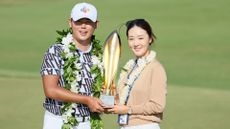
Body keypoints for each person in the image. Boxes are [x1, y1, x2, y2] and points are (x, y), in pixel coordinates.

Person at [40, 2, 105, 129]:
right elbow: (50, 90)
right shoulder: (55, 51)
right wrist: (87, 100)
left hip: (89, 122)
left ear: (96, 24)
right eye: (79, 22)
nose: (83, 26)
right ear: (70, 22)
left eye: (88, 22)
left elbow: (105, 89)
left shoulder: (100, 55)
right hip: (58, 121)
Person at [108, 19, 167, 129]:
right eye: (131, 39)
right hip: (124, 126)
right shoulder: (130, 67)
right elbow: (123, 100)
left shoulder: (156, 68)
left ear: (150, 39)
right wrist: (108, 95)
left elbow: (158, 106)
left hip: (146, 126)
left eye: (140, 38)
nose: (135, 43)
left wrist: (128, 109)